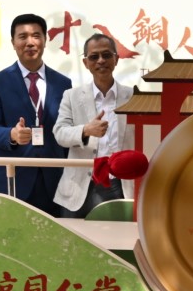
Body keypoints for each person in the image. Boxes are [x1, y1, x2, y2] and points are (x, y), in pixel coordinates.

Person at [0, 13, 71, 215]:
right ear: (13, 42)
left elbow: (67, 129)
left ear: (45, 40)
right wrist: (11, 135)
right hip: (13, 178)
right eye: (22, 37)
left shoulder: (63, 84)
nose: (30, 42)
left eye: (36, 36)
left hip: (53, 181)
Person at [52, 32, 134, 216]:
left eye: (106, 55)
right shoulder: (71, 96)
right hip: (79, 186)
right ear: (85, 63)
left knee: (116, 242)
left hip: (121, 186)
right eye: (94, 56)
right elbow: (59, 133)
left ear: (116, 59)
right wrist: (85, 131)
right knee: (73, 242)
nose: (101, 61)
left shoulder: (134, 97)